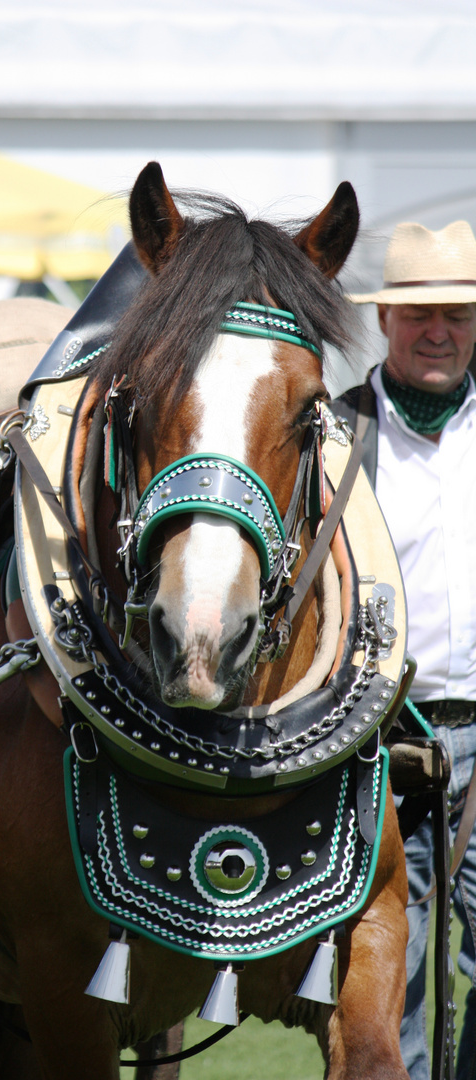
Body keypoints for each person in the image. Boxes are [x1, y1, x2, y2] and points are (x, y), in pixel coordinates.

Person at [332, 219, 476, 1080]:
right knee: (391, 970)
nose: (439, 330)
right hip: (382, 738)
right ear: (384, 321)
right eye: (419, 312)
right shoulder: (338, 438)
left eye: (457, 314)